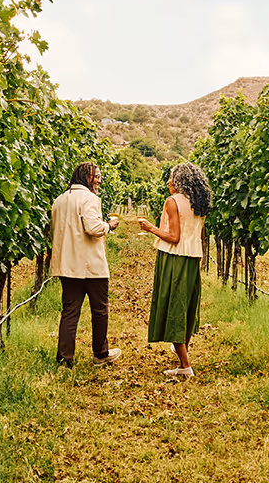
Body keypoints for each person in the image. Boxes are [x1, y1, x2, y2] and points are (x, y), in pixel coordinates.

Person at [136, 162, 211, 379]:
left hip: (174, 258)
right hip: (193, 258)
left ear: (179, 180)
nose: (168, 181)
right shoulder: (199, 202)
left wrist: (150, 228)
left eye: (171, 177)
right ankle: (181, 349)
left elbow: (174, 237)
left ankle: (185, 366)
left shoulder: (173, 201)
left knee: (173, 305)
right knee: (185, 305)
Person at [49, 162, 121, 367]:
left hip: (67, 265)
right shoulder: (90, 198)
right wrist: (109, 225)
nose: (98, 180)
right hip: (91, 266)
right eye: (95, 176)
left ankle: (64, 359)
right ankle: (100, 354)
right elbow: (93, 227)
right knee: (100, 310)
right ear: (85, 177)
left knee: (70, 312)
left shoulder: (59, 200)